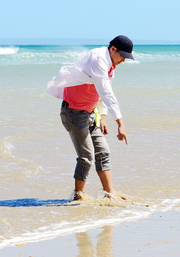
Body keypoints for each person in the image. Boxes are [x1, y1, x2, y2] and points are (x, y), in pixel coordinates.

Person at [46, 35, 135, 201]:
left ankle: (110, 194)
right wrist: (120, 122)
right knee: (86, 157)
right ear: (113, 49)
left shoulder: (111, 66)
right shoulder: (99, 59)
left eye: (126, 57)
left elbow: (102, 93)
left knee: (103, 152)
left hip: (90, 113)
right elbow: (106, 92)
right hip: (73, 112)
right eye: (122, 55)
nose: (123, 60)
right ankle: (78, 197)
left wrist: (102, 116)